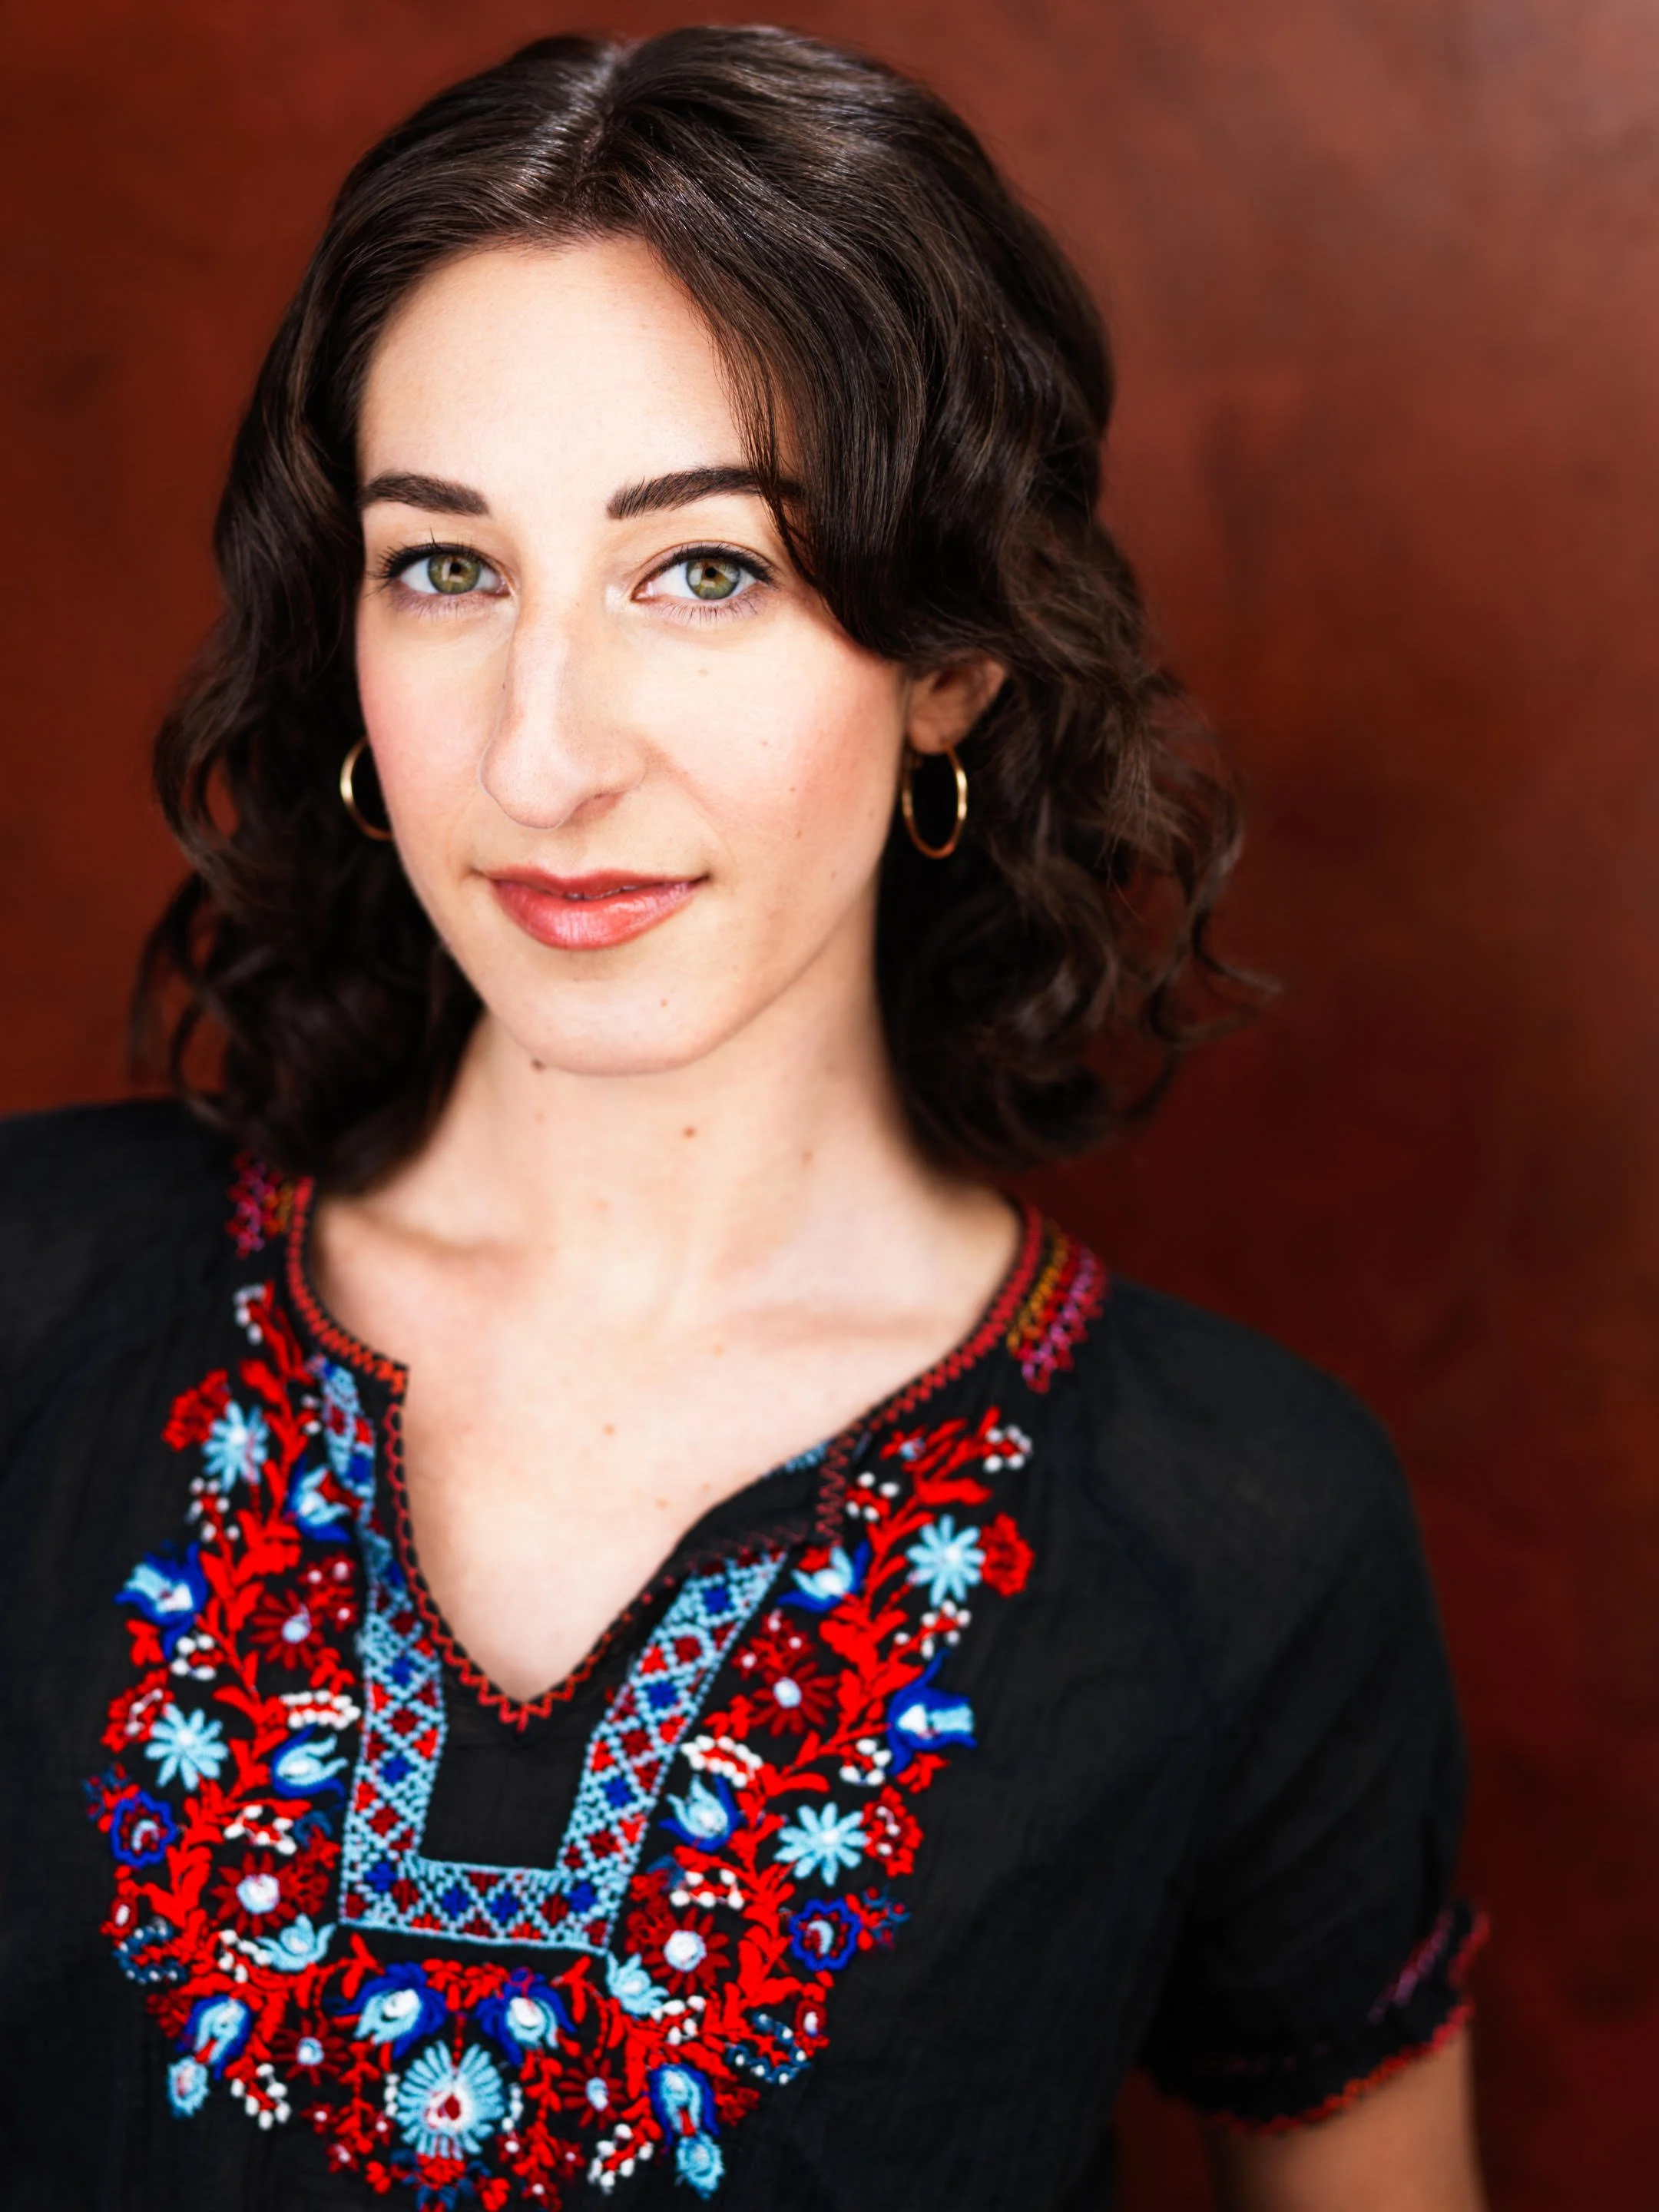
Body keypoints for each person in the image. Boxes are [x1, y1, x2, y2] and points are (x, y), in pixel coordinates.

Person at [0, 27, 1485, 2210]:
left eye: (705, 570)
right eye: (445, 568)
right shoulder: (32, 1301)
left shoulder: (1241, 1533)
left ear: (951, 659)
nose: (543, 756)